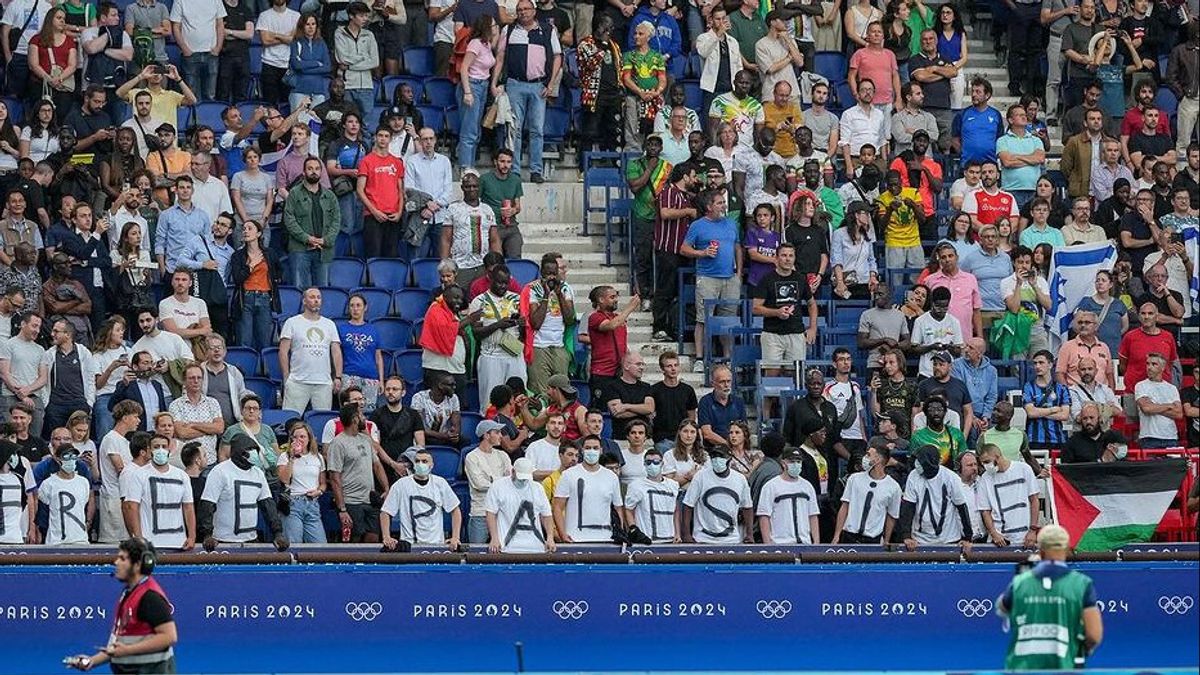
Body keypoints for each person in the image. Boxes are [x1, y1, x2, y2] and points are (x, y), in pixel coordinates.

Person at [64, 537, 178, 672]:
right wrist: (92, 661)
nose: (116, 562)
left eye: (123, 559)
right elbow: (119, 647)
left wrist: (127, 650)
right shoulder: (129, 593)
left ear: (137, 565)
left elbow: (169, 637)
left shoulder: (150, 597)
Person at [999, 524, 1104, 670]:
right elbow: (1094, 635)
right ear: (1067, 549)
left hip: (1021, 668)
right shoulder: (1082, 584)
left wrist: (1024, 575)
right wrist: (1079, 649)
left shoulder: (1019, 583)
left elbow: (1002, 606)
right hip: (1064, 666)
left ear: (1040, 550)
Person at [491, 0, 561, 182]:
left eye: (526, 9)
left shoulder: (548, 30)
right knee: (514, 129)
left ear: (534, 10)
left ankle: (535, 170)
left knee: (537, 129)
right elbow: (500, 57)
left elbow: (557, 57)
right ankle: (514, 171)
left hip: (539, 85)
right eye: (519, 9)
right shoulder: (509, 30)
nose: (522, 12)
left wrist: (551, 83)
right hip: (515, 84)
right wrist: (494, 82)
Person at [380, 447, 462, 550]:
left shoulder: (440, 483)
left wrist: (455, 537)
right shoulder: (400, 485)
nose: (420, 464)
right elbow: (385, 512)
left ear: (431, 465)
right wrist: (386, 537)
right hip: (409, 546)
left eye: (424, 461)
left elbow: (455, 510)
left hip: (436, 545)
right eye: (417, 461)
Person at [124, 433, 196, 550]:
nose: (160, 450)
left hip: (178, 543)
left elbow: (188, 507)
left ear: (169, 449)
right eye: (156, 447)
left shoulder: (182, 475)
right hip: (149, 543)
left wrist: (192, 537)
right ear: (149, 450)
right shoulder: (138, 475)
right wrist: (138, 537)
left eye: (164, 446)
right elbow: (132, 507)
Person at [279, 287, 343, 413]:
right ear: (304, 301)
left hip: (323, 383)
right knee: (290, 420)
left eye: (318, 297)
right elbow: (283, 351)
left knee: (322, 422)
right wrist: (287, 376)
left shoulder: (329, 324)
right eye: (312, 297)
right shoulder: (292, 322)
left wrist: (338, 377)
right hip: (297, 381)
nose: (316, 300)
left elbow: (336, 352)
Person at [898, 444, 973, 549]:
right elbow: (908, 507)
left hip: (948, 539)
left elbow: (961, 508)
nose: (917, 464)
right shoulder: (913, 476)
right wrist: (906, 536)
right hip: (919, 540)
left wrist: (967, 537)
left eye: (920, 461)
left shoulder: (951, 477)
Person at [553, 433, 624, 542]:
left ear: (601, 450)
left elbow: (618, 508)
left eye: (595, 448)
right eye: (588, 448)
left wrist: (620, 533)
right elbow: (557, 507)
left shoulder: (611, 477)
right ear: (582, 450)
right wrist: (563, 535)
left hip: (606, 539)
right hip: (575, 539)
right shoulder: (568, 474)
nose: (591, 451)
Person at [681, 444, 752, 544]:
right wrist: (686, 534)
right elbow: (688, 505)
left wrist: (750, 534)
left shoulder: (740, 479)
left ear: (729, 458)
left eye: (721, 456)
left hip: (731, 540)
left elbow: (747, 507)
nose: (717, 459)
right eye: (713, 456)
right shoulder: (700, 476)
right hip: (703, 539)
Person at [832, 444, 900, 545]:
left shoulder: (893, 487)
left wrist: (886, 540)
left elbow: (891, 516)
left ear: (878, 459)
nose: (865, 458)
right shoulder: (854, 479)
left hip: (872, 539)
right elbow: (845, 507)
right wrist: (837, 535)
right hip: (849, 535)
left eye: (868, 455)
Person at [485, 456, 556, 553]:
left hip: (535, 547)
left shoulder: (537, 488)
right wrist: (494, 538)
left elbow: (546, 515)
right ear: (513, 471)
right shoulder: (498, 486)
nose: (523, 481)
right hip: (506, 547)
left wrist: (550, 537)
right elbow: (491, 514)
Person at [976, 442, 1040, 548]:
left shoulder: (1024, 469)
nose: (985, 466)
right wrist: (994, 534)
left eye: (987, 461)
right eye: (983, 463)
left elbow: (1034, 500)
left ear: (998, 456)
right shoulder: (985, 478)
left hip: (1024, 537)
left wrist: (1033, 530)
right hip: (999, 539)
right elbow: (985, 511)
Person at [756, 447, 821, 545]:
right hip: (779, 544)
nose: (796, 464)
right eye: (792, 461)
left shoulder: (807, 486)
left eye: (798, 461)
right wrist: (768, 544)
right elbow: (764, 516)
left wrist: (816, 542)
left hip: (805, 544)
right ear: (783, 463)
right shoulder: (770, 486)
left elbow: (813, 515)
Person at [276, 421, 326, 543]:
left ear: (309, 438)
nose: (299, 440)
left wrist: (319, 491)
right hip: (293, 502)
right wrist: (292, 458)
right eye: (295, 437)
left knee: (320, 544)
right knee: (294, 543)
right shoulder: (285, 456)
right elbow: (284, 479)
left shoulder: (318, 457)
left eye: (302, 437)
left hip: (312, 503)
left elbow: (323, 483)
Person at [463, 419, 512, 543]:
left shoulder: (503, 455)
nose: (501, 436)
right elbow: (479, 484)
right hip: (480, 512)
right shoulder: (472, 457)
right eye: (497, 432)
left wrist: (492, 479)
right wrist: (502, 481)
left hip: (502, 512)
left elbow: (511, 480)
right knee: (476, 553)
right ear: (486, 435)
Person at [622, 446, 680, 544]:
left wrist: (677, 533)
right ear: (644, 464)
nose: (652, 465)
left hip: (670, 540)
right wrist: (633, 529)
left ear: (662, 463)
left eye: (656, 462)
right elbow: (628, 509)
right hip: (647, 541)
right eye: (648, 462)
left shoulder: (673, 485)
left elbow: (676, 511)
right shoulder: (636, 485)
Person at [1135, 353, 1182, 449]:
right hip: (1149, 438)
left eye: (1154, 364)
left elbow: (1178, 414)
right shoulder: (1141, 385)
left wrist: (1154, 406)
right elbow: (1146, 408)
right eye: (1147, 364)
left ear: (1163, 367)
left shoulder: (1172, 388)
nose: (1149, 367)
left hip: (1171, 437)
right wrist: (1169, 406)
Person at [951, 78, 1004, 165]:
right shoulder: (962, 114)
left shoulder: (996, 114)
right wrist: (965, 154)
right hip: (968, 166)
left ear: (987, 95)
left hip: (990, 165)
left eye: (978, 92)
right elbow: (955, 140)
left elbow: (1000, 139)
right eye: (972, 91)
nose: (973, 94)